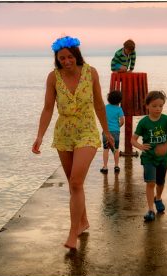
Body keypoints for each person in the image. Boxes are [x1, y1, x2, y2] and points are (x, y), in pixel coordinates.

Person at [32, 35, 115, 249]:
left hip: (87, 131)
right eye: (62, 58)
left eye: (70, 57)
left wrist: (107, 132)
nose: (66, 61)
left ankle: (73, 232)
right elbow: (48, 108)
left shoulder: (91, 72)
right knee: (73, 183)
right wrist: (40, 135)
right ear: (57, 59)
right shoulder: (53, 77)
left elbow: (98, 104)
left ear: (76, 56)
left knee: (76, 182)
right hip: (64, 133)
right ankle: (84, 221)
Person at [131, 90, 167, 222]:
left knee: (160, 182)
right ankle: (150, 209)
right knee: (150, 183)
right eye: (154, 106)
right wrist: (140, 146)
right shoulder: (143, 122)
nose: (158, 109)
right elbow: (133, 139)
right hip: (148, 158)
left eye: (160, 106)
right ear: (147, 106)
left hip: (163, 158)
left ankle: (158, 198)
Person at [100, 90, 125, 174]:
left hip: (106, 131)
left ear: (108, 99)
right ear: (119, 100)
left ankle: (105, 166)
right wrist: (118, 126)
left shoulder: (106, 107)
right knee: (116, 149)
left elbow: (102, 118)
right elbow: (122, 121)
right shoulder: (119, 109)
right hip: (115, 132)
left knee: (106, 149)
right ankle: (116, 166)